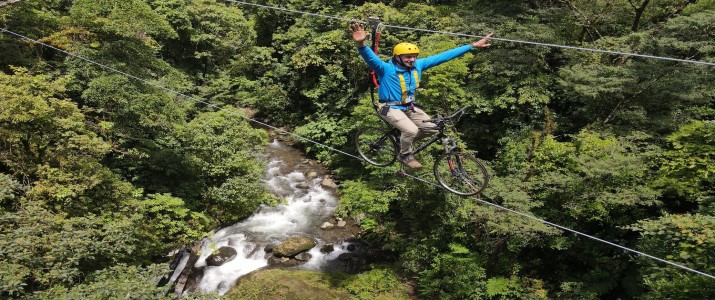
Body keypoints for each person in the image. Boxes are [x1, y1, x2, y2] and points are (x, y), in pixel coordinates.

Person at [350, 23, 493, 169]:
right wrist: (361, 44)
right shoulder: (385, 69)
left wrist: (472, 46)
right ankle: (404, 155)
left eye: (414, 57)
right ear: (397, 57)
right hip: (389, 107)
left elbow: (444, 57)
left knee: (432, 128)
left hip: (408, 107)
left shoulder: (418, 65)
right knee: (411, 130)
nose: (412, 60)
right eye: (408, 57)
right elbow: (370, 58)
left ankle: (404, 141)